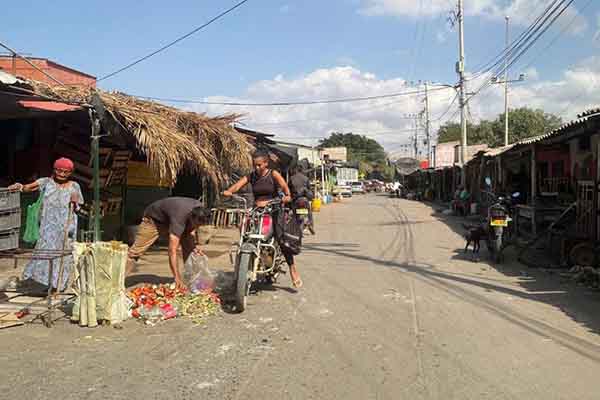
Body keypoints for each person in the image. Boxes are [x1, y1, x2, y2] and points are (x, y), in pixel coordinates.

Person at [223, 149, 302, 288]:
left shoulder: (273, 174)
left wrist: (287, 195)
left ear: (266, 163)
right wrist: (229, 191)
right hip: (257, 209)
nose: (257, 168)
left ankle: (292, 268)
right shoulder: (252, 176)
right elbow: (238, 185)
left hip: (273, 208)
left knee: (280, 238)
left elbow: (284, 186)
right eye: (255, 165)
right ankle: (242, 265)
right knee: (245, 230)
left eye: (259, 165)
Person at [9, 158, 83, 290]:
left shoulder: (74, 186)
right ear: (54, 170)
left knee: (63, 256)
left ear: (70, 173)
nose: (62, 174)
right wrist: (19, 187)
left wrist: (76, 201)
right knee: (45, 253)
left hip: (66, 227)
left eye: (66, 172)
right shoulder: (46, 182)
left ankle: (59, 286)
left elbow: (78, 207)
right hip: (48, 227)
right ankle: (45, 283)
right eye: (59, 170)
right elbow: (27, 188)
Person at [126, 197, 212, 290]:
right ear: (191, 217)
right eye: (196, 224)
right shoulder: (180, 216)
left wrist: (193, 247)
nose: (197, 227)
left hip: (174, 218)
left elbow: (190, 231)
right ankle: (115, 281)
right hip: (154, 220)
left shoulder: (200, 210)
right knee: (135, 253)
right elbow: (172, 251)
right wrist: (177, 277)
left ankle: (190, 280)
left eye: (199, 225)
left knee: (191, 251)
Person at [289, 165, 314, 233]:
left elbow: (289, 190)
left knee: (294, 214)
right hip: (304, 199)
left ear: (295, 170)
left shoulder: (291, 178)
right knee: (309, 212)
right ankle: (310, 224)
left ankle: (295, 227)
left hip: (295, 200)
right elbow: (309, 189)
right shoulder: (306, 178)